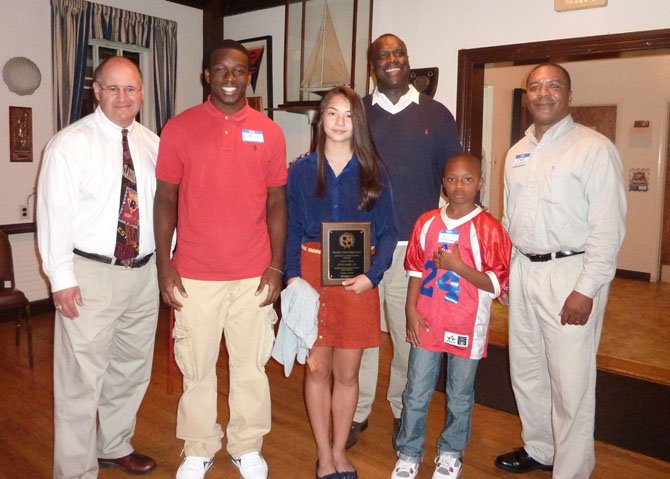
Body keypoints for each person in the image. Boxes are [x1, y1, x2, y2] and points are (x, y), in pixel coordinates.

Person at [154, 40, 287, 479]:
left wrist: (276, 267)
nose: (230, 78)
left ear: (249, 76)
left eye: (239, 70)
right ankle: (199, 446)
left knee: (251, 367)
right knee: (197, 366)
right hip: (195, 274)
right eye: (221, 70)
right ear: (206, 76)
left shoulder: (269, 132)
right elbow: (166, 199)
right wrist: (164, 264)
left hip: (253, 274)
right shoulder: (180, 128)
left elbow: (277, 205)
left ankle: (247, 445)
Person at [495, 63, 626, 479]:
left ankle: (571, 470)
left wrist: (586, 288)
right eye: (536, 86)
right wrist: (505, 275)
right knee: (528, 370)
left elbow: (609, 226)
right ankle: (540, 448)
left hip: (571, 274)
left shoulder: (594, 148)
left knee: (571, 383)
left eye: (554, 86)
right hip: (523, 271)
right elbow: (509, 221)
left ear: (569, 95)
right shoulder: (516, 153)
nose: (544, 93)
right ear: (527, 94)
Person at [37, 56, 159, 478]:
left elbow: (164, 209)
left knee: (130, 370)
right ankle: (74, 471)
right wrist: (62, 280)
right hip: (89, 275)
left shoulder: (152, 142)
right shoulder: (69, 144)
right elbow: (54, 215)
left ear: (142, 92)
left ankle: (114, 444)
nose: (123, 97)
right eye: (113, 88)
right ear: (97, 90)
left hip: (145, 274)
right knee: (80, 382)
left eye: (131, 88)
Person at [349, 33, 463, 448]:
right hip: (360, 248)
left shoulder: (437, 113)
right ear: (372, 64)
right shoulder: (357, 113)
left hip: (411, 252)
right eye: (383, 55)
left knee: (407, 337)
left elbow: (456, 180)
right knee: (359, 337)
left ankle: (402, 408)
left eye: (398, 53)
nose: (391, 60)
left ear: (408, 61)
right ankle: (356, 411)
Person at [284, 86, 398, 479]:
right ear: (321, 119)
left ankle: (339, 450)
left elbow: (388, 232)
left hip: (358, 282)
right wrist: (293, 279)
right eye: (332, 113)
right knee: (316, 370)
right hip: (312, 279)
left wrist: (373, 275)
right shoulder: (300, 170)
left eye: (348, 115)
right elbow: (293, 229)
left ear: (358, 123)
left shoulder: (374, 170)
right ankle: (324, 454)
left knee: (347, 374)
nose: (339, 122)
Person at [391, 153, 511, 479]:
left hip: (466, 323)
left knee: (460, 394)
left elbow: (496, 284)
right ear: (443, 183)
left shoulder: (489, 229)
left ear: (480, 183)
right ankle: (409, 451)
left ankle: (450, 452)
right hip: (427, 321)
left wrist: (459, 267)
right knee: (416, 389)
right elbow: (416, 271)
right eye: (452, 179)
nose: (459, 186)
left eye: (468, 179)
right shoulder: (427, 221)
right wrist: (410, 310)